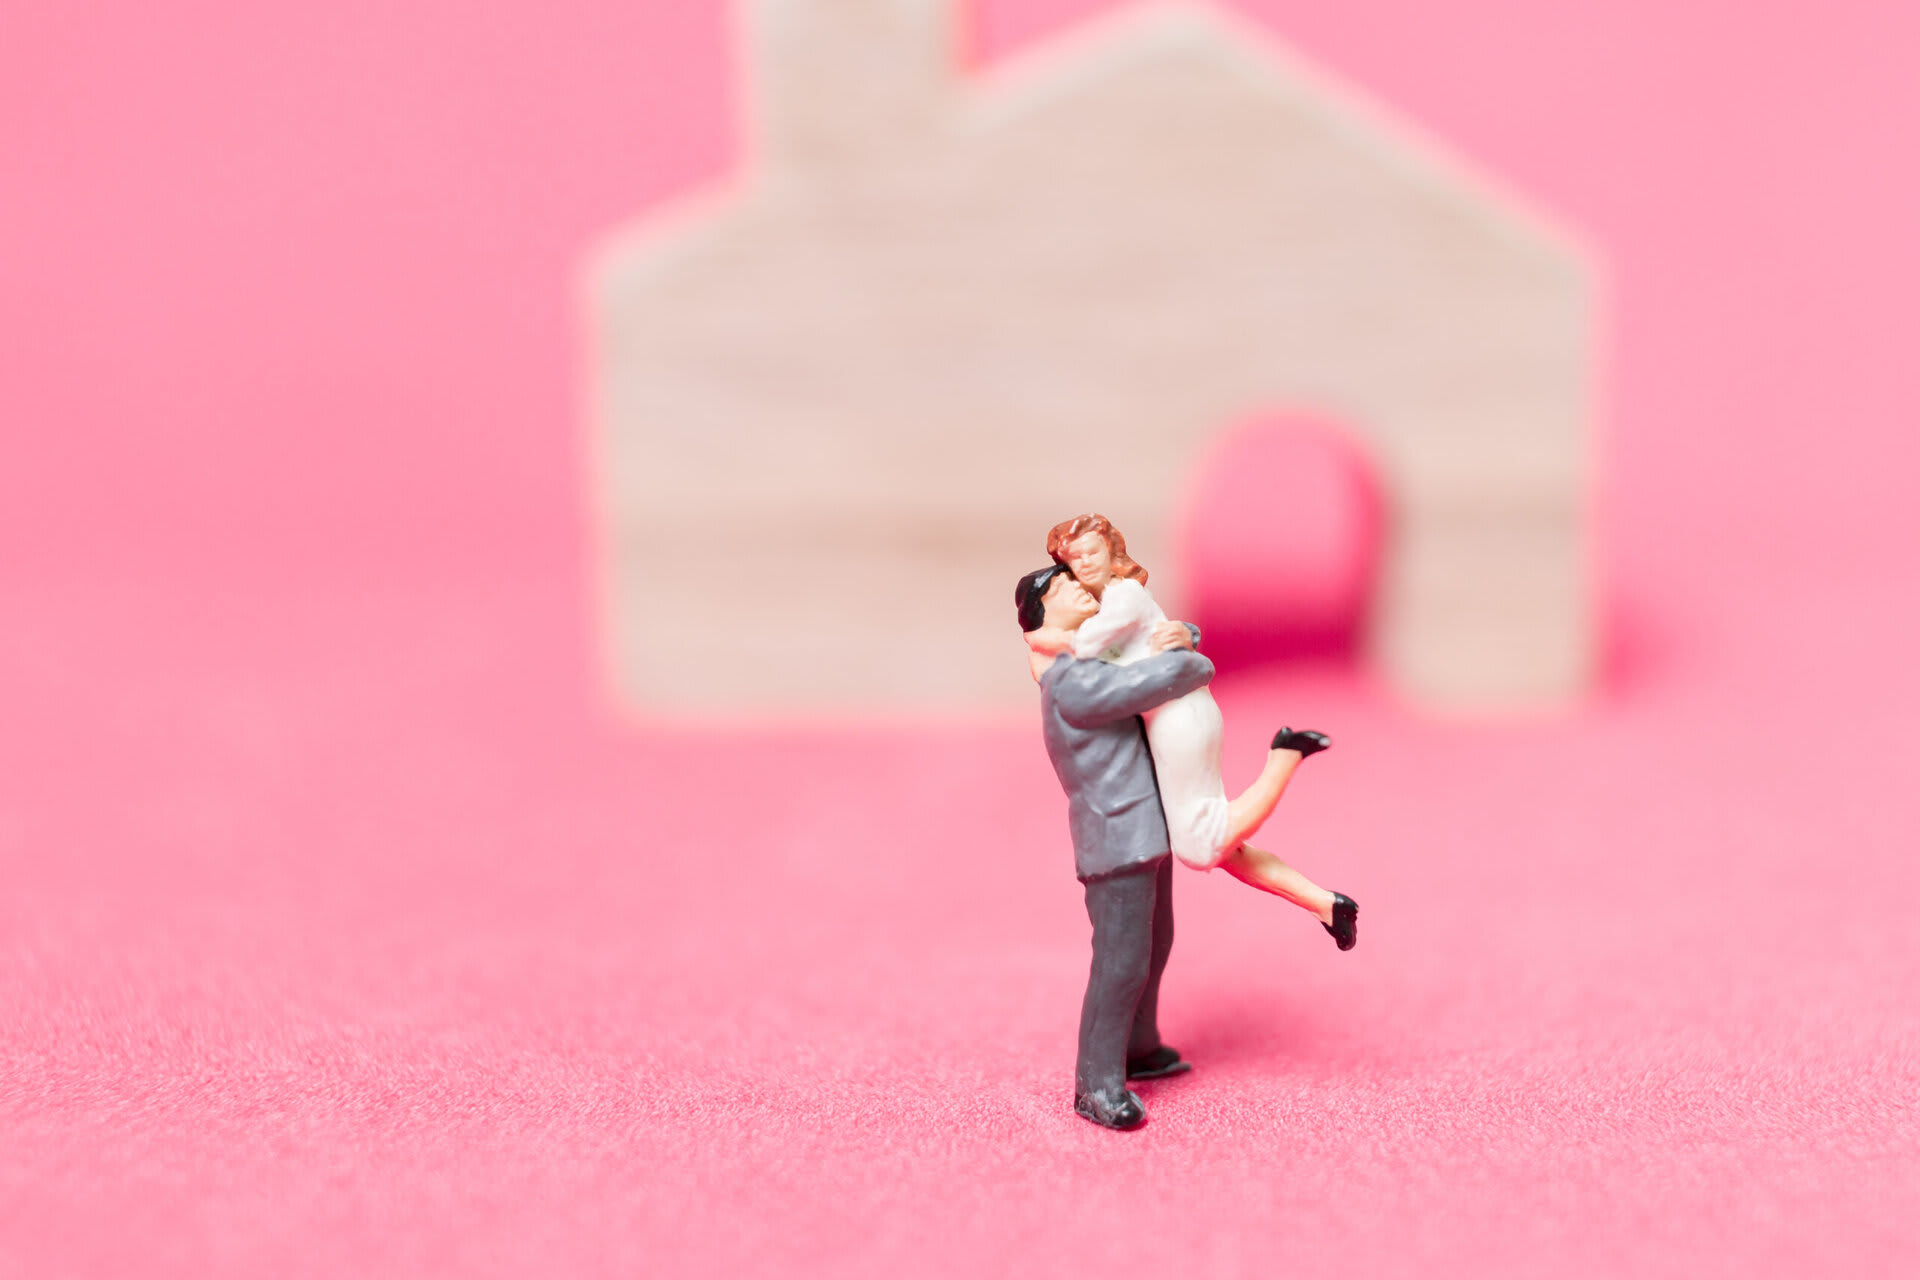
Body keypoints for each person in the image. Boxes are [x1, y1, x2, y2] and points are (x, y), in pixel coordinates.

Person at [1029, 513, 1358, 943]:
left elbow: (1084, 647)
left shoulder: (1124, 596)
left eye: (1093, 552)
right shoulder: (1106, 604)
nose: (1085, 564)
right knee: (1226, 850)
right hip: (1172, 716)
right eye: (1075, 560)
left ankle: (1286, 756)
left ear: (1112, 552)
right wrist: (1186, 633)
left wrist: (1037, 636)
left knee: (1200, 846)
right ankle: (1326, 904)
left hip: (1177, 715)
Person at [1015, 561, 1209, 1130]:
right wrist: (1191, 657)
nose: (1082, 587)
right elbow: (1157, 679)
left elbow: (1152, 648)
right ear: (1043, 615)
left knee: (1155, 945)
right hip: (1117, 838)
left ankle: (1138, 1046)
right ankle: (1097, 1085)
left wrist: (1183, 633)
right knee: (1120, 961)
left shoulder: (1094, 660)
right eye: (1066, 586)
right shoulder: (1072, 681)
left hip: (1145, 829)